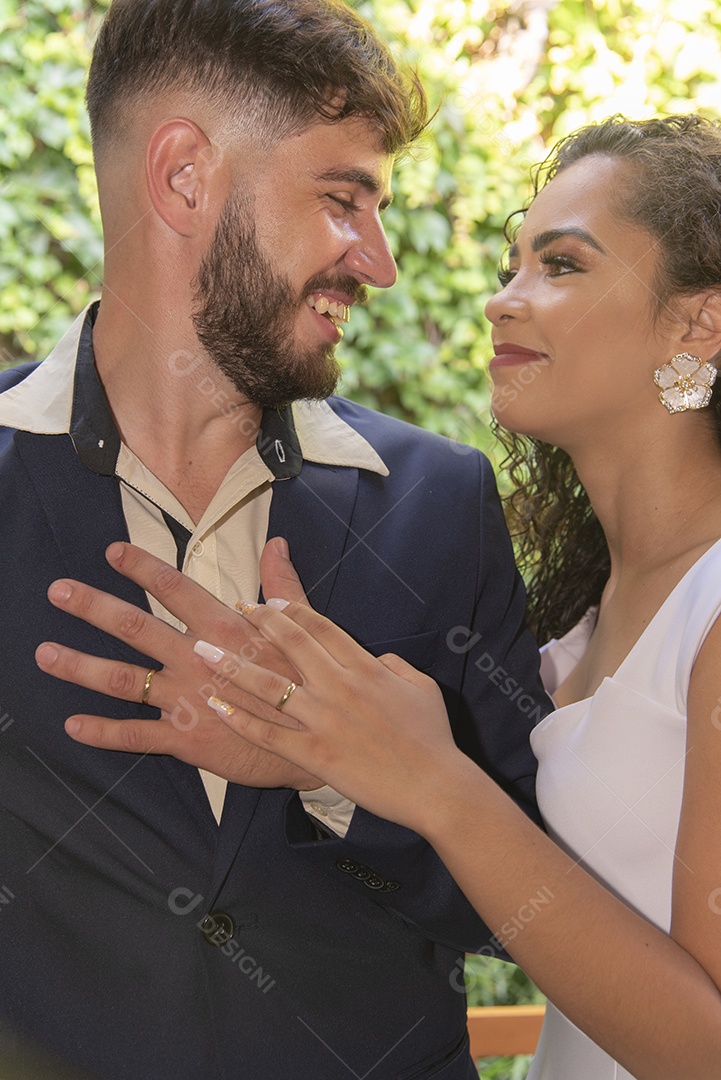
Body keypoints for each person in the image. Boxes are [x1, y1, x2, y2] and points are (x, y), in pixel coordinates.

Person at [46, 114, 721, 1080]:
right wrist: (314, 753)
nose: (501, 301)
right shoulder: (577, 621)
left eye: (561, 266)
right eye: (512, 262)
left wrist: (433, 783)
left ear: (697, 322)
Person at [0, 1, 550, 1077]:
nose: (381, 264)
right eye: (343, 199)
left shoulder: (440, 504)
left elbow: (535, 913)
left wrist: (336, 774)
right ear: (184, 176)